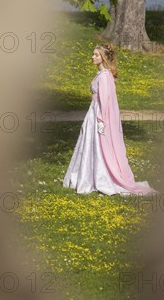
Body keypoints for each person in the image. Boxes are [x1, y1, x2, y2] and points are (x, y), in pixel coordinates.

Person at [62, 43, 158, 196]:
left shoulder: (105, 77)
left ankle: (100, 177)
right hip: (93, 111)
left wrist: (100, 120)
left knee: (99, 145)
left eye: (96, 55)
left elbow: (105, 101)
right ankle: (89, 175)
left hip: (98, 113)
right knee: (89, 143)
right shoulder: (102, 75)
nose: (92, 57)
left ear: (104, 57)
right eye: (93, 54)